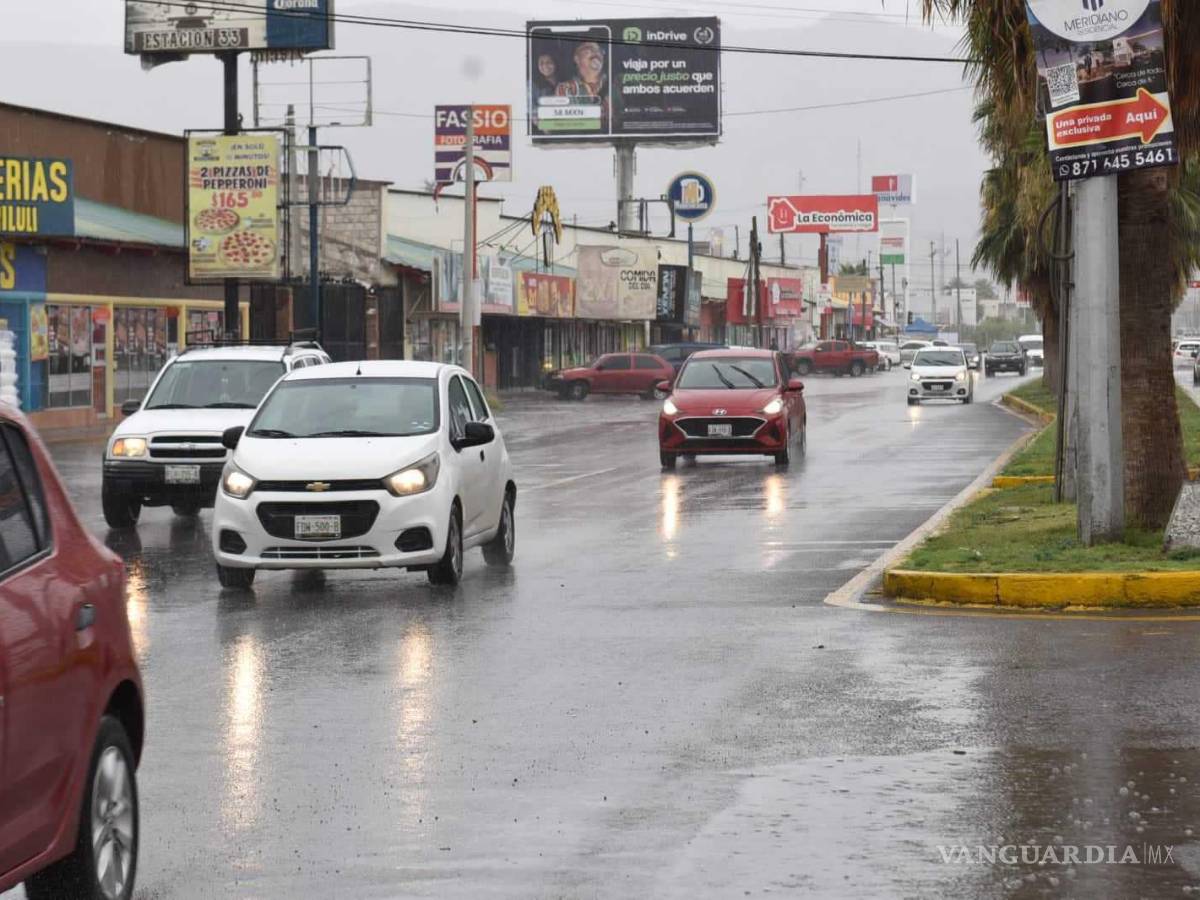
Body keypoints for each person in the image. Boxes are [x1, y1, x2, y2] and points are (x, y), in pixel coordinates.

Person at [555, 41, 610, 130]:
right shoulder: (565, 89)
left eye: (599, 51)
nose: (596, 53)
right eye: (589, 50)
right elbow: (565, 124)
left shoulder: (614, 85)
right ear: (577, 59)